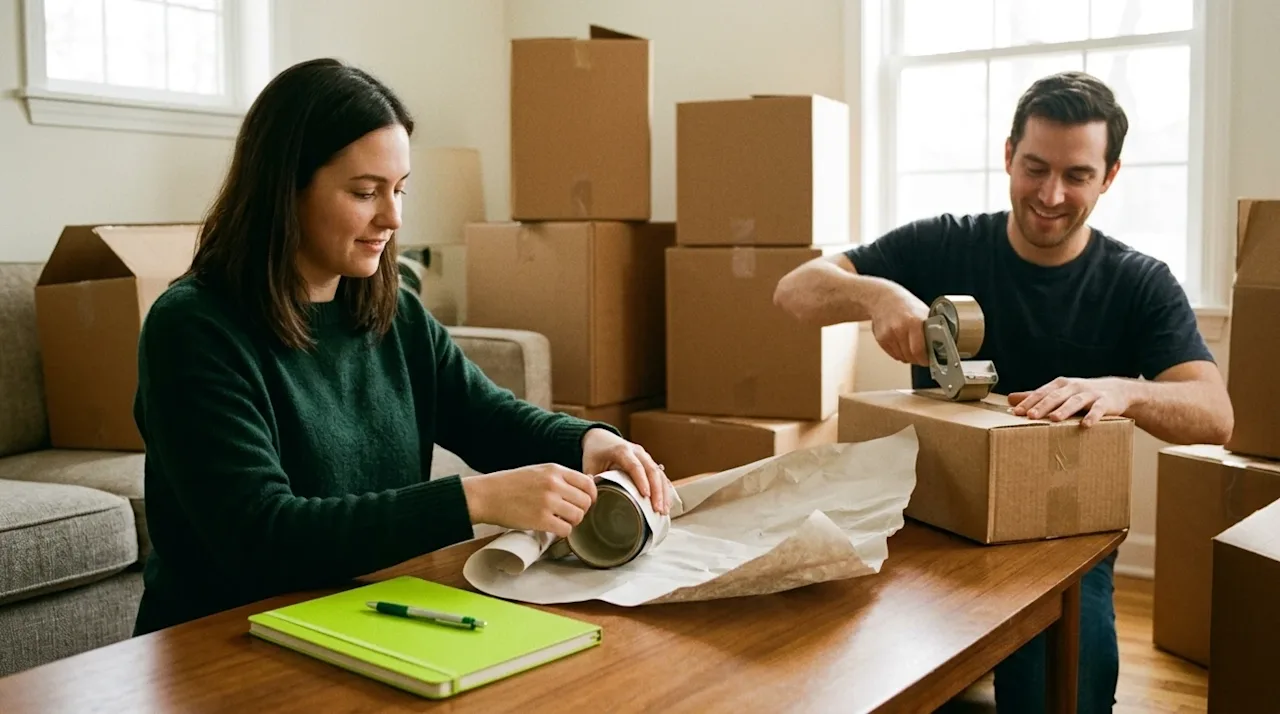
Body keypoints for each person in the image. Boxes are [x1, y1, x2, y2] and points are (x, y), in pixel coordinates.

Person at [131, 58, 671, 636]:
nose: (392, 217)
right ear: (284, 189)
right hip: (225, 637)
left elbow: (485, 417)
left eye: (400, 190)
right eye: (365, 192)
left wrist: (586, 441)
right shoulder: (192, 328)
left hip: (366, 616)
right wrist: (471, 500)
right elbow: (263, 535)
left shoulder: (391, 310)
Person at [773, 71, 1233, 712]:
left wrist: (1119, 392)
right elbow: (793, 291)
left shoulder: (1138, 283)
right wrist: (877, 293)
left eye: (1076, 175)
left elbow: (1214, 415)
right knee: (832, 665)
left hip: (1058, 544)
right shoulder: (942, 243)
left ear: (1110, 177)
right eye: (1034, 167)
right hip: (925, 524)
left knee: (1066, 687)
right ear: (1008, 155)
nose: (1050, 194)